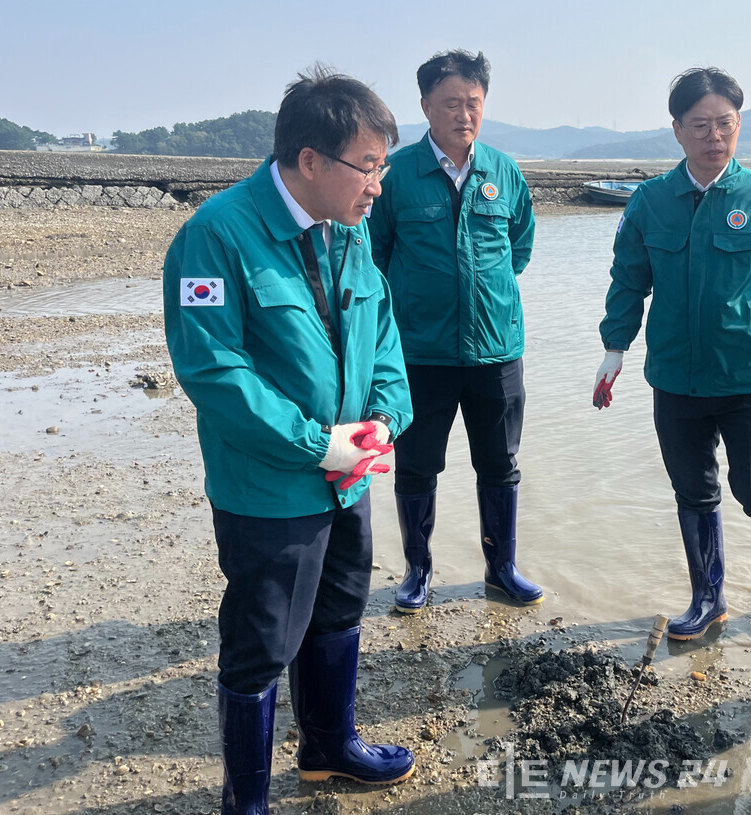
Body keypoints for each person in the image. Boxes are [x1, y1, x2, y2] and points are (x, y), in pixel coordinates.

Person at [163, 66, 416, 813]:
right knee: (262, 643)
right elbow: (216, 373)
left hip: (352, 472)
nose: (377, 185)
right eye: (367, 167)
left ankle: (328, 746)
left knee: (340, 611)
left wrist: (385, 416)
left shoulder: (352, 232)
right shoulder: (215, 236)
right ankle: (246, 800)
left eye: (383, 167)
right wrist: (317, 443)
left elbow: (383, 332)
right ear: (310, 160)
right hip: (271, 486)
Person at [594, 67, 751, 642]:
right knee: (692, 491)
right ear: (677, 130)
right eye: (700, 125)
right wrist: (614, 348)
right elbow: (628, 280)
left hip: (748, 374)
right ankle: (707, 597)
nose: (714, 136)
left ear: (738, 125)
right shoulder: (648, 201)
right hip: (675, 377)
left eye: (725, 124)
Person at [368, 50, 541, 614]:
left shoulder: (503, 171)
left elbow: (519, 249)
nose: (463, 114)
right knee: (417, 465)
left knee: (500, 464)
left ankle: (502, 568)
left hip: (496, 352)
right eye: (451, 103)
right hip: (420, 352)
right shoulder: (396, 179)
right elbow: (378, 255)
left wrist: (483, 301)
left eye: (473, 103)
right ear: (425, 106)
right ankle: (418, 571)